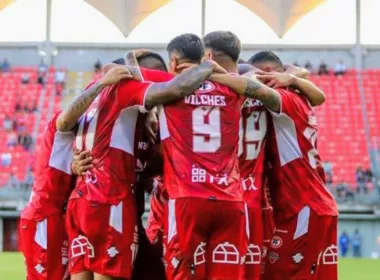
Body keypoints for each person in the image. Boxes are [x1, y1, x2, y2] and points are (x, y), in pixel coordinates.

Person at [65, 52, 225, 280]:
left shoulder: (129, 117)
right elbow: (174, 89)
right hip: (111, 204)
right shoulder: (125, 93)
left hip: (105, 207)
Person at [212, 50, 337, 280]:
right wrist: (294, 76)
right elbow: (317, 93)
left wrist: (210, 75)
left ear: (269, 74)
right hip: (310, 203)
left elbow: (254, 88)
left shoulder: (288, 100)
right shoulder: (301, 96)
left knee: (277, 274)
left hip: (303, 206)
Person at [19, 64, 138, 280]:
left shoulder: (86, 133)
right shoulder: (63, 121)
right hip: (45, 215)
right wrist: (102, 84)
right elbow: (66, 121)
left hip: (64, 212)